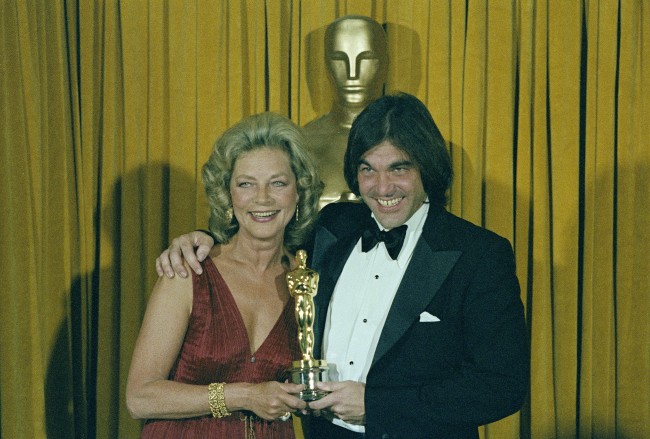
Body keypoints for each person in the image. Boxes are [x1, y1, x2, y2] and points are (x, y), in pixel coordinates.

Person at [156, 93, 530, 439]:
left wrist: (376, 406)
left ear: (426, 168)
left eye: (399, 169)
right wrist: (203, 237)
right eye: (368, 170)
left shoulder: (479, 255)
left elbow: (502, 386)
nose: (382, 188)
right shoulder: (333, 227)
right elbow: (260, 230)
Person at [126, 112, 324, 438]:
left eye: (278, 183)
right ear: (228, 195)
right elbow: (139, 397)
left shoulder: (310, 283)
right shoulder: (188, 272)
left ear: (299, 191)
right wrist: (245, 395)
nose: (262, 199)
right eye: (246, 184)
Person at [303, 15, 388, 207]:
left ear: (384, 63)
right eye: (339, 59)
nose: (352, 73)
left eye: (366, 58)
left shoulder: (410, 140)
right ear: (325, 64)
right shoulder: (300, 144)